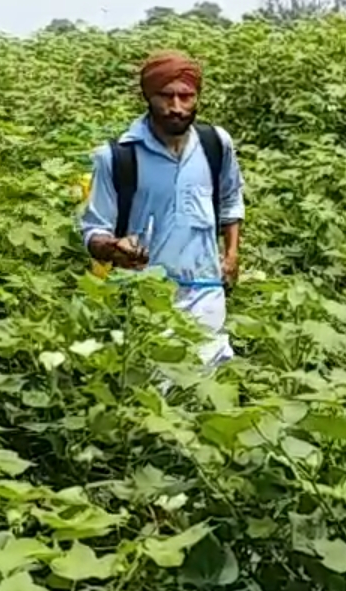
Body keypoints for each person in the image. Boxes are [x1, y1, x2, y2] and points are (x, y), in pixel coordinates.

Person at [79, 50, 245, 368]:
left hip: (206, 292)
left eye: (186, 96)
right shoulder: (116, 157)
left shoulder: (216, 144)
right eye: (165, 97)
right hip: (145, 297)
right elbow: (92, 231)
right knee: (157, 395)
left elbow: (230, 200)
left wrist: (232, 253)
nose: (176, 108)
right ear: (147, 96)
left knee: (206, 392)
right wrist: (115, 247)